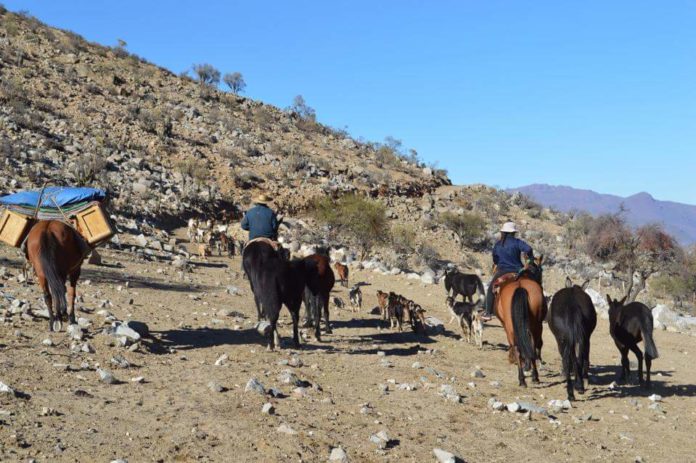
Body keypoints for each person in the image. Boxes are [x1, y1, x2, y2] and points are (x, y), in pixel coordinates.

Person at [482, 221, 534, 320]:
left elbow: (495, 259)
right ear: (513, 233)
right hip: (518, 271)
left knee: (491, 289)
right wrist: (530, 259)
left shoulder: (498, 244)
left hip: (503, 271)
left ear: (503, 232)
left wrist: (498, 262)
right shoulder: (518, 242)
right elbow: (529, 249)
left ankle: (488, 313)